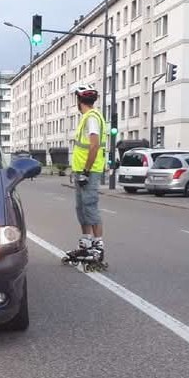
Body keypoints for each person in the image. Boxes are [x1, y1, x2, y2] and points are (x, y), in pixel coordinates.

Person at [64, 85, 107, 264]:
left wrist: (86, 172)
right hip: (81, 171)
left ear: (79, 101)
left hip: (90, 171)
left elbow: (94, 145)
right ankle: (86, 244)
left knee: (90, 207)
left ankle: (98, 247)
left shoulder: (92, 118)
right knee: (81, 208)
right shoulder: (87, 118)